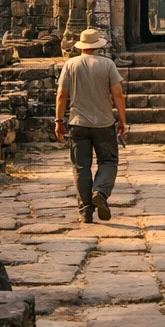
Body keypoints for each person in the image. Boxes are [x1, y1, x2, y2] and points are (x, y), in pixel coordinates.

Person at [55, 28, 128, 222]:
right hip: (104, 124)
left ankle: (86, 211)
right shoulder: (107, 64)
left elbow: (62, 95)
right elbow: (118, 94)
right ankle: (100, 192)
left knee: (81, 167)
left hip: (78, 123)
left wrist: (58, 120)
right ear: (97, 46)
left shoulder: (70, 64)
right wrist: (122, 120)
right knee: (108, 161)